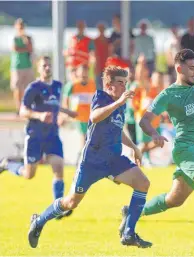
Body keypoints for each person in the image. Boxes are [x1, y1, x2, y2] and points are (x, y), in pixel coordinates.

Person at [119, 49, 194, 252]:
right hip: (185, 148)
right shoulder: (168, 95)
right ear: (179, 69)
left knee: (174, 200)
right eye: (191, 68)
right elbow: (144, 120)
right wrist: (154, 134)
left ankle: (132, 213)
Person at [27, 66, 152, 249]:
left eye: (125, 83)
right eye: (120, 83)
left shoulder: (121, 103)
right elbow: (94, 117)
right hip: (92, 162)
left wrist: (134, 147)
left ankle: (128, 233)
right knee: (71, 202)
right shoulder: (101, 97)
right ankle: (39, 221)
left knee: (143, 183)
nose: (124, 87)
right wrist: (118, 103)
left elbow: (118, 129)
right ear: (109, 85)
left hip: (113, 160)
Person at [0, 56, 76, 216]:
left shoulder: (57, 85)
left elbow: (54, 104)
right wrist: (39, 116)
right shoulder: (33, 88)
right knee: (29, 174)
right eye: (44, 66)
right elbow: (23, 111)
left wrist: (67, 112)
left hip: (52, 136)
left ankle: (58, 208)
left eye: (49, 65)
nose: (47, 68)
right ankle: (8, 164)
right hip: (35, 136)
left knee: (58, 168)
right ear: (39, 68)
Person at [62, 64, 96, 165]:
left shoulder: (92, 83)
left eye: (85, 75)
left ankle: (81, 159)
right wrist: (67, 114)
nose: (84, 77)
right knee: (85, 139)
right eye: (82, 75)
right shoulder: (72, 85)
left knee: (88, 140)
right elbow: (65, 101)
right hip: (79, 117)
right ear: (77, 73)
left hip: (90, 118)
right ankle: (82, 161)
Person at [10, 18, 35, 114]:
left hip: (27, 65)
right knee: (17, 88)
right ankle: (18, 107)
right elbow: (15, 48)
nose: (21, 27)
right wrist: (25, 48)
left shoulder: (28, 38)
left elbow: (30, 48)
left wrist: (25, 43)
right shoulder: (14, 38)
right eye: (19, 25)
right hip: (17, 66)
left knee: (28, 87)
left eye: (22, 25)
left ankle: (26, 106)